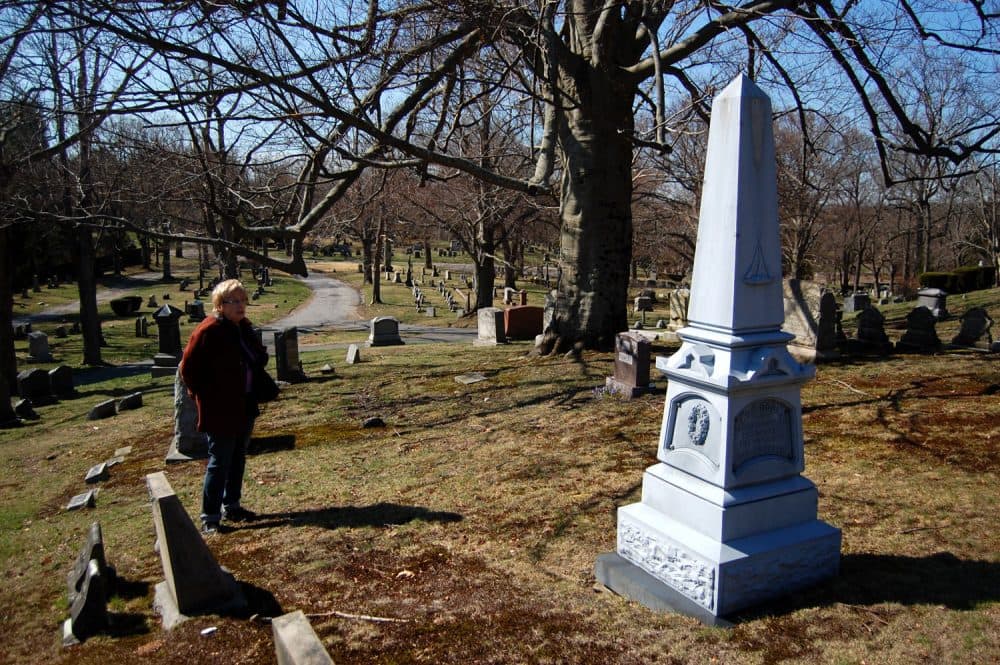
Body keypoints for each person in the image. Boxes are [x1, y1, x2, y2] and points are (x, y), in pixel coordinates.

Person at [180, 279, 267, 534]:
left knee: (238, 456)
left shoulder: (242, 327)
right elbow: (188, 368)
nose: (241, 306)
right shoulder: (209, 330)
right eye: (235, 301)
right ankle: (210, 516)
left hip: (244, 402)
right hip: (220, 407)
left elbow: (258, 355)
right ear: (220, 305)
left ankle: (233, 505)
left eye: (243, 300)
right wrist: (204, 394)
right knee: (220, 460)